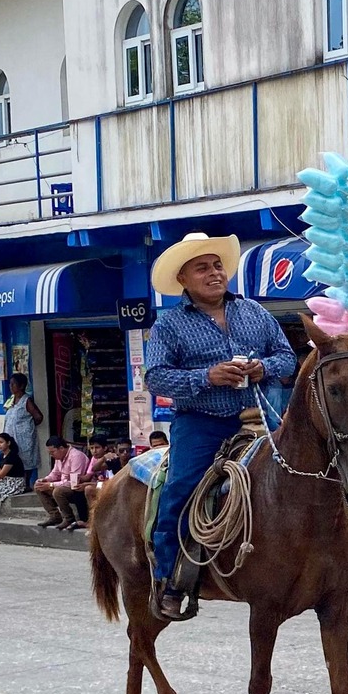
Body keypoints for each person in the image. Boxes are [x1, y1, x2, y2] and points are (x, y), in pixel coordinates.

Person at [143, 232, 296, 619]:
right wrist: (206, 377)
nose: (214, 273)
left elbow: (287, 357)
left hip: (259, 416)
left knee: (310, 471)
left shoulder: (254, 312)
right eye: (202, 268)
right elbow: (156, 377)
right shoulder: (170, 325)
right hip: (202, 422)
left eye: (217, 265)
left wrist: (263, 367)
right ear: (183, 279)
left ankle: (325, 565)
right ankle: (170, 579)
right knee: (180, 488)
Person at [34, 433, 93, 528]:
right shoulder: (59, 457)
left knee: (58, 491)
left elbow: (74, 482)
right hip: (64, 484)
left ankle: (69, 518)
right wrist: (45, 480)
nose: (51, 455)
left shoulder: (76, 456)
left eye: (52, 452)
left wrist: (51, 485)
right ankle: (55, 516)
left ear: (61, 448)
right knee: (38, 487)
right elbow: (55, 473)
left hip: (77, 488)